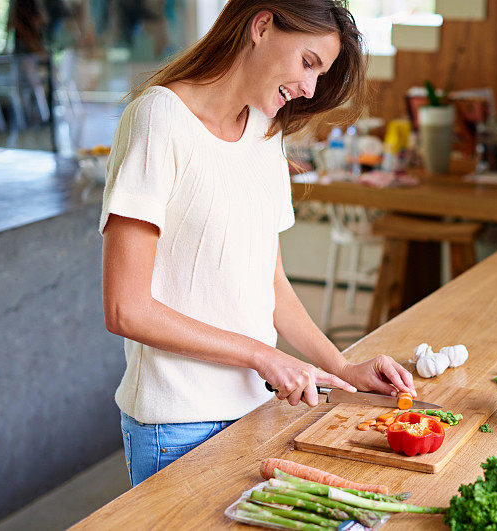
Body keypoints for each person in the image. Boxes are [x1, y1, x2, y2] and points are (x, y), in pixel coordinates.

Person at [99, 0, 417, 487]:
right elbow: (127, 309)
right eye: (308, 62)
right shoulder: (158, 118)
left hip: (258, 412)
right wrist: (264, 356)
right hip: (177, 425)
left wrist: (344, 367)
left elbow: (273, 288)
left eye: (321, 73)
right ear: (262, 26)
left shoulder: (266, 136)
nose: (310, 88)